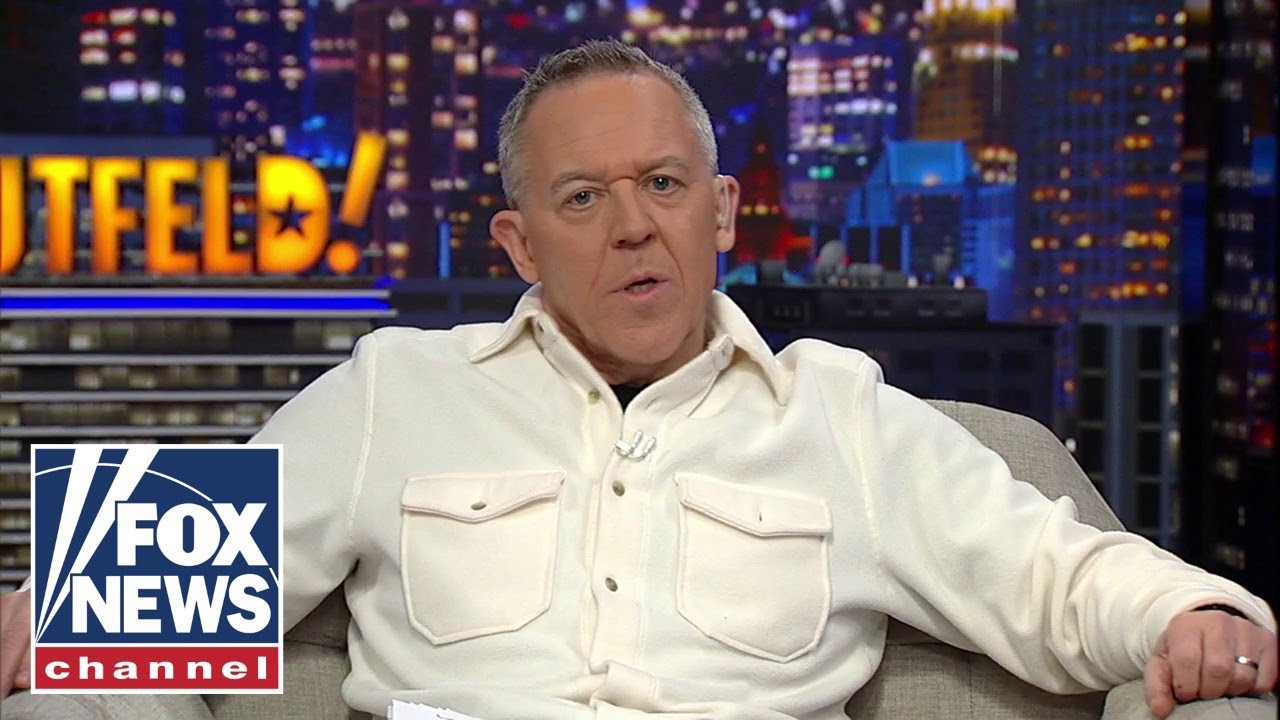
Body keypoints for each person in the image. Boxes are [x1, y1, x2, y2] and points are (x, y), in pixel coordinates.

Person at [1, 39, 1276, 720]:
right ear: (517, 244)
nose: (631, 227)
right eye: (581, 199)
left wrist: (1194, 615)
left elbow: (1058, 577)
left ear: (718, 212)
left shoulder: (838, 412)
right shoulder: (395, 388)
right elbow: (146, 588)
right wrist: (49, 614)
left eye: (663, 186)